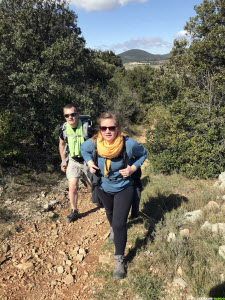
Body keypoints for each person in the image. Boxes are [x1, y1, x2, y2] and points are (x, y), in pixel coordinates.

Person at [81, 112, 147, 279]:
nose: (108, 131)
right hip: (103, 186)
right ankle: (112, 229)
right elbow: (84, 149)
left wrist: (133, 168)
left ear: (118, 128)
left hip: (125, 187)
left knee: (119, 224)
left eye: (112, 127)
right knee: (109, 213)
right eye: (104, 128)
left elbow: (143, 154)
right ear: (100, 129)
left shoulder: (129, 144)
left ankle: (119, 259)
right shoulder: (95, 143)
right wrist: (89, 162)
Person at [59, 104, 90, 223]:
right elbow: (61, 145)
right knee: (72, 187)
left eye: (72, 114)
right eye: (67, 115)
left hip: (87, 161)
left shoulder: (87, 127)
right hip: (72, 160)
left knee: (92, 185)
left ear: (77, 114)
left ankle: (100, 199)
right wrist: (63, 161)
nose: (70, 117)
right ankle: (74, 211)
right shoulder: (63, 129)